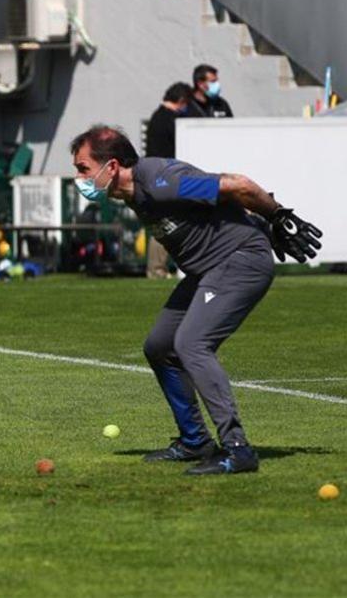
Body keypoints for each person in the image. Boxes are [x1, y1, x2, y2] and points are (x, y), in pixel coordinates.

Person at [70, 125, 321, 475]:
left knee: (192, 344)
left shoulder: (160, 181)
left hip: (239, 260)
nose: (78, 177)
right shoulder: (132, 193)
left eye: (82, 168)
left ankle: (237, 448)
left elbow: (239, 186)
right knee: (159, 345)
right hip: (208, 271)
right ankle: (194, 442)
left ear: (111, 166)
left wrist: (276, 216)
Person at [143, 82, 191, 277]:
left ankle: (158, 268)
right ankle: (156, 269)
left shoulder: (157, 117)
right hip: (164, 178)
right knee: (166, 224)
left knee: (166, 223)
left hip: (156, 177)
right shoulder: (170, 121)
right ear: (181, 101)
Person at [144, 82, 190, 160]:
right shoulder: (170, 119)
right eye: (188, 103)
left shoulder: (158, 115)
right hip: (166, 166)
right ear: (181, 101)